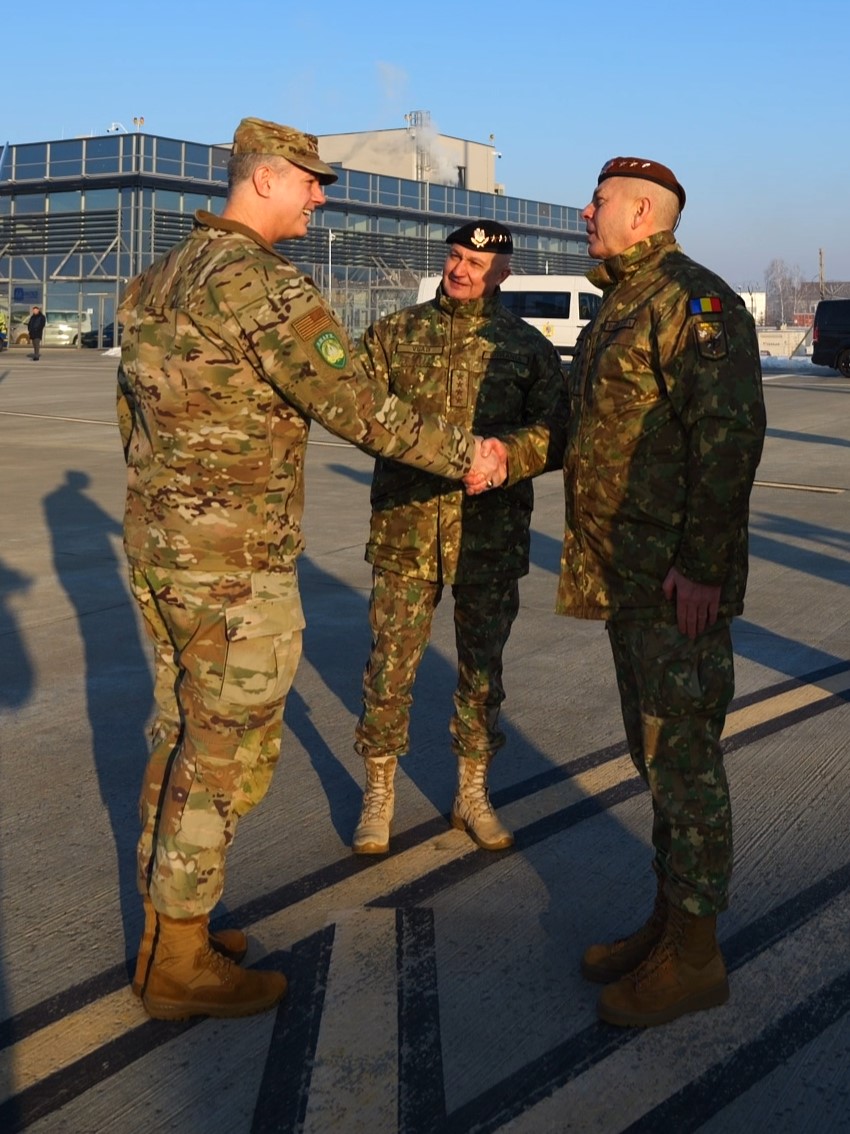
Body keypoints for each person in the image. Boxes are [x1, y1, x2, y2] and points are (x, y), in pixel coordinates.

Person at [117, 117, 506, 1022]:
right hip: (235, 567)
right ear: (262, 180)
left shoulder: (156, 279)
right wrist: (469, 455)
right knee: (226, 754)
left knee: (179, 734)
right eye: (309, 180)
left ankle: (170, 927)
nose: (321, 196)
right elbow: (358, 406)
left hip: (164, 551)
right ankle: (179, 962)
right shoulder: (263, 284)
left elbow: (132, 422)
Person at [557, 156, 766, 1028]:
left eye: (599, 201)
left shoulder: (693, 301)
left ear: (643, 212)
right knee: (656, 757)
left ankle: (697, 957)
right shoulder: (623, 300)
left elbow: (728, 435)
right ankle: (668, 922)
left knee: (684, 763)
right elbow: (590, 428)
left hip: (676, 583)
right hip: (630, 574)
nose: (585, 211)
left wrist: (704, 565)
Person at [351, 220, 567, 856]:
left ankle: (472, 792)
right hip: (406, 531)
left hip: (488, 537)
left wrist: (508, 456)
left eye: (475, 262)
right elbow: (355, 408)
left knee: (481, 672)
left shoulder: (525, 348)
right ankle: (379, 794)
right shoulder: (395, 334)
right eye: (454, 256)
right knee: (388, 670)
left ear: (502, 273)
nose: (460, 270)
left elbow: (560, 429)